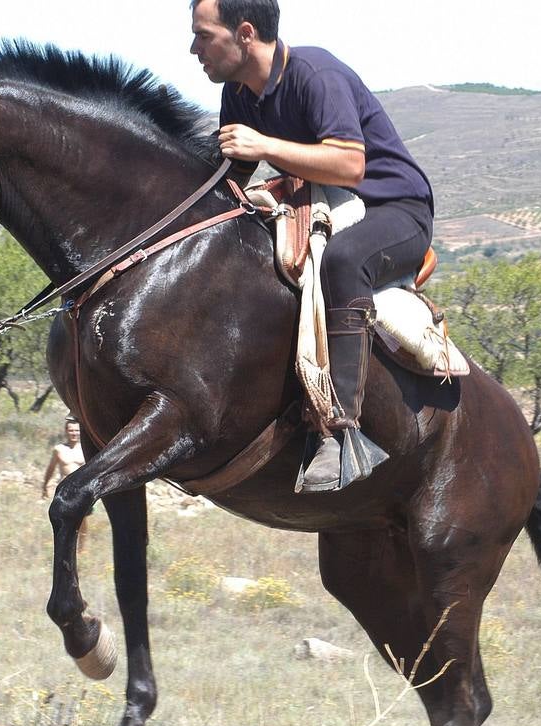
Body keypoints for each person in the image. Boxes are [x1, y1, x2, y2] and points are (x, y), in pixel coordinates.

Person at [190, 0, 435, 493]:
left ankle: (341, 432)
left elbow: (350, 166)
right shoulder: (239, 93)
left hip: (397, 211)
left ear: (243, 33)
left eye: (203, 35)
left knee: (343, 262)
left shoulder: (315, 73)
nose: (193, 48)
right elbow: (229, 181)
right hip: (323, 205)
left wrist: (264, 147)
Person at [43, 418, 90, 549]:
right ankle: (65, 547)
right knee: (64, 520)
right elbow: (51, 468)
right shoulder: (59, 450)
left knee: (83, 520)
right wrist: (45, 485)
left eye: (76, 430)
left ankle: (82, 549)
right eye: (71, 430)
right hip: (65, 491)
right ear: (66, 431)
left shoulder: (85, 449)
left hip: (82, 490)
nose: (74, 433)